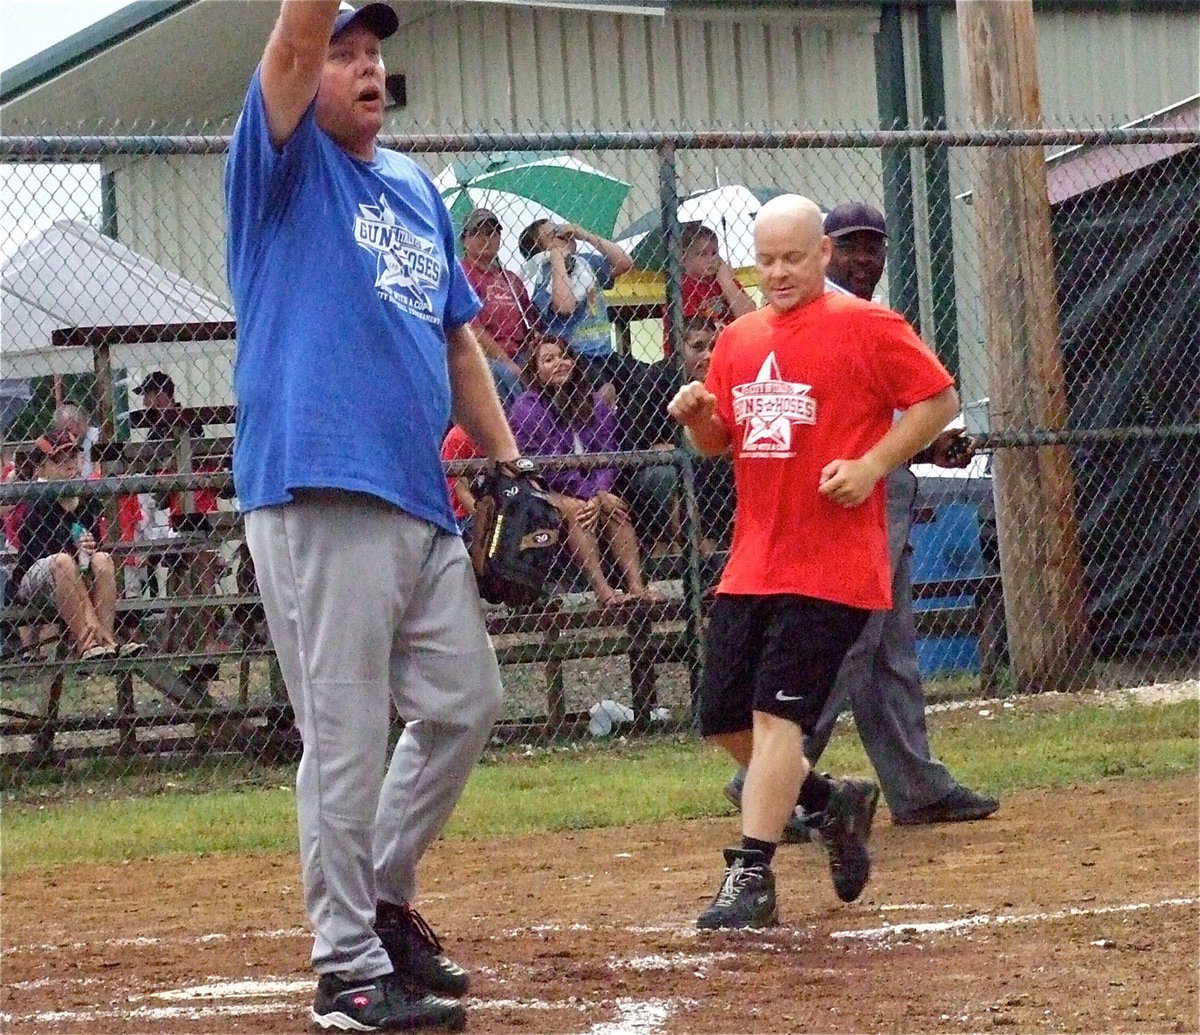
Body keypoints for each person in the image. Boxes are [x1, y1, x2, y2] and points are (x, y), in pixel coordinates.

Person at [224, 3, 524, 1030]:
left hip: (416, 494)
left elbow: (457, 342)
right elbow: (291, 44)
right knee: (345, 736)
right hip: (317, 486)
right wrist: (308, 35)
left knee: (463, 701)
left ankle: (383, 899)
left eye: (372, 52)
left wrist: (510, 462)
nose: (360, 68)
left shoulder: (410, 189)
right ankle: (346, 970)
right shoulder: (282, 163)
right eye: (342, 53)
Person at [668, 195, 960, 930]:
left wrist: (873, 463)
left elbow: (939, 400)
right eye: (764, 260)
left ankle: (752, 874)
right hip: (754, 559)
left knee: (775, 721)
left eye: (791, 258)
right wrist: (702, 414)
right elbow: (723, 442)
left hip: (831, 562)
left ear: (822, 254)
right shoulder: (739, 339)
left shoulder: (867, 326)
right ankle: (834, 804)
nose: (777, 273)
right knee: (723, 719)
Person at [726, 201, 999, 832]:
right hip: (828, 511)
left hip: (883, 492)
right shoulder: (801, 317)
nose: (862, 259)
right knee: (854, 640)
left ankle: (914, 783)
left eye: (872, 247)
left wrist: (931, 443)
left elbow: (897, 404)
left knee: (889, 650)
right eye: (849, 247)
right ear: (825, 251)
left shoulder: (872, 321)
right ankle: (777, 782)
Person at [508, 336, 662, 606]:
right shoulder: (527, 408)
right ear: (535, 369)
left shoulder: (593, 402)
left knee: (615, 507)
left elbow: (609, 453)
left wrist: (601, 492)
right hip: (542, 490)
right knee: (580, 512)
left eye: (564, 356)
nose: (560, 363)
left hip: (592, 490)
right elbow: (549, 467)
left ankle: (637, 587)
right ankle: (603, 591)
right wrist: (593, 495)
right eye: (549, 359)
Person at [10, 430, 144, 661]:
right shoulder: (38, 503)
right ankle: (88, 641)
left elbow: (91, 552)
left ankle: (107, 641)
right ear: (41, 468)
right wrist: (76, 551)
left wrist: (90, 548)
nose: (70, 464)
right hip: (36, 584)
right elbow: (47, 559)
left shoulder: (86, 499)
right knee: (63, 562)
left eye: (73, 457)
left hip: (76, 576)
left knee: (102, 559)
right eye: (59, 460)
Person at [615, 316, 734, 571]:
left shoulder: (723, 375)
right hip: (655, 468)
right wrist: (659, 447)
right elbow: (630, 434)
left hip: (710, 463)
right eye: (698, 347)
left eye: (713, 346)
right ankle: (697, 551)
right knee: (672, 471)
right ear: (679, 349)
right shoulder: (657, 377)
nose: (708, 355)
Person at [517, 216, 634, 398]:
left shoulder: (583, 263)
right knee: (601, 395)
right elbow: (565, 306)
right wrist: (557, 259)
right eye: (553, 234)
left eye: (559, 228)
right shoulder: (543, 276)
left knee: (644, 383)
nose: (562, 233)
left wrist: (585, 235)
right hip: (575, 356)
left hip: (604, 353)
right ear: (540, 249)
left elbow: (624, 262)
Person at [459, 207, 538, 406]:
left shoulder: (510, 278)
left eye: (492, 232)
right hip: (483, 355)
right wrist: (508, 362)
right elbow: (473, 330)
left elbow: (532, 322)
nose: (486, 238)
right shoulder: (461, 274)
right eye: (477, 232)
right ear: (465, 240)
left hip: (521, 352)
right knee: (504, 374)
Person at [661, 223, 756, 353]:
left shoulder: (723, 280)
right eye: (702, 254)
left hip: (731, 348)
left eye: (714, 253)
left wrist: (727, 283)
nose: (711, 259)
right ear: (683, 258)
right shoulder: (682, 288)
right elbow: (693, 334)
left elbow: (751, 316)